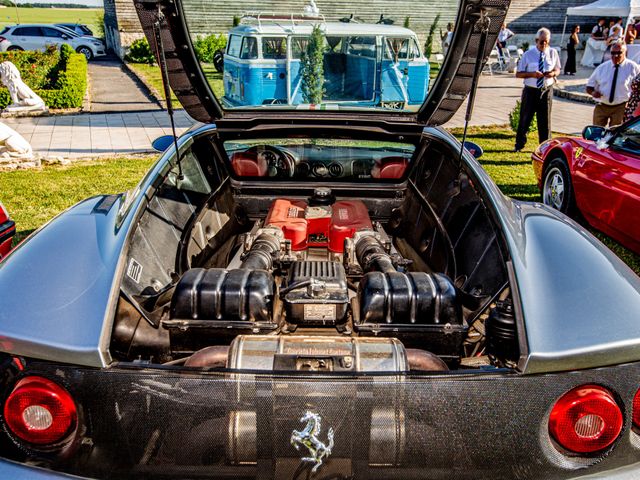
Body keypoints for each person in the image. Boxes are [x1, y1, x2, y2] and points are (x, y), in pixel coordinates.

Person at [513, 28, 561, 152]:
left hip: (546, 90)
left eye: (546, 42)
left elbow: (558, 69)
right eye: (541, 42)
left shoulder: (553, 53)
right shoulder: (528, 54)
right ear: (536, 41)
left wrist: (553, 74)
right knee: (525, 118)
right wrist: (532, 74)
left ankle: (545, 147)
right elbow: (518, 74)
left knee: (545, 121)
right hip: (531, 90)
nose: (543, 44)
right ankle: (519, 144)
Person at [586, 42, 640, 127]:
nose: (615, 56)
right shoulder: (602, 68)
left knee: (615, 133)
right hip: (602, 106)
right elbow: (589, 86)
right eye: (613, 53)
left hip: (621, 107)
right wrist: (593, 93)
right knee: (596, 131)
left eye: (619, 53)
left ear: (625, 52)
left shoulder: (633, 68)